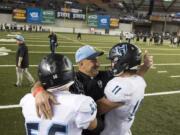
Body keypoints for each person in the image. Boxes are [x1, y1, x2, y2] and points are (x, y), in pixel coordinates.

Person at [31, 45, 153, 134]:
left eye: (97, 59)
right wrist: (39, 91)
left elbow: (130, 81)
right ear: (81, 64)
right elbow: (43, 81)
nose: (98, 63)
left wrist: (145, 67)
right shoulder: (71, 79)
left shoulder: (107, 76)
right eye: (93, 60)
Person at [20, 53, 97, 135]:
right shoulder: (80, 103)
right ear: (70, 73)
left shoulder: (26, 100)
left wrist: (39, 90)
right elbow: (93, 126)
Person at [100, 43, 146, 135]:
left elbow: (98, 109)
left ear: (123, 62)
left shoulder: (120, 85)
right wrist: (146, 67)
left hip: (110, 132)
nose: (112, 64)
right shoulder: (140, 81)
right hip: (124, 129)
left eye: (114, 60)